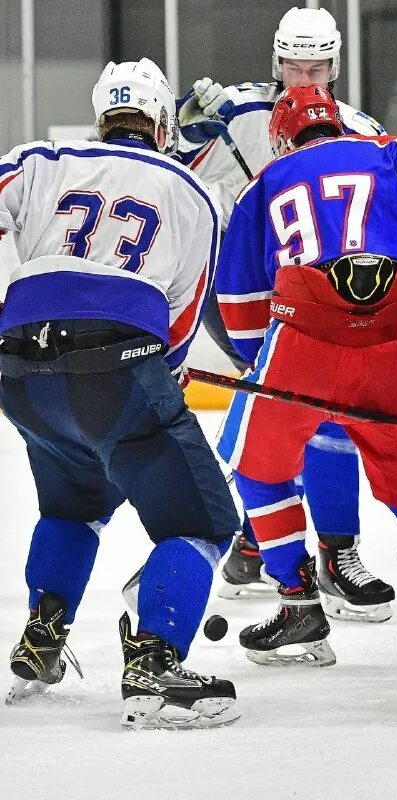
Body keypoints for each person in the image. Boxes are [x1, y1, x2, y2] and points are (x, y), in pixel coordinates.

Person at [214, 84, 397, 668]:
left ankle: (299, 604)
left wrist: (259, 367)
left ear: (281, 136)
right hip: (389, 343)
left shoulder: (263, 184)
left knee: (256, 466)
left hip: (301, 341)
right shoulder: (388, 151)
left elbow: (239, 294)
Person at [0, 58, 241, 729]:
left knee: (75, 503)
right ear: (162, 122)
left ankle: (43, 634)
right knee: (203, 522)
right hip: (120, 370)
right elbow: (184, 319)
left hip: (21, 367)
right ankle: (155, 662)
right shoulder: (191, 191)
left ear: (101, 115)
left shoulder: (41, 155)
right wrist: (163, 369)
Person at [178, 6, 396, 620]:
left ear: (335, 64)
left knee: (310, 417)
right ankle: (330, 553)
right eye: (294, 66)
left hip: (328, 298)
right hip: (245, 292)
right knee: (308, 417)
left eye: (317, 67)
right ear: (276, 61)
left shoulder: (361, 129)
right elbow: (177, 183)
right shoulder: (239, 116)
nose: (305, 79)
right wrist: (184, 132)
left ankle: (261, 543)